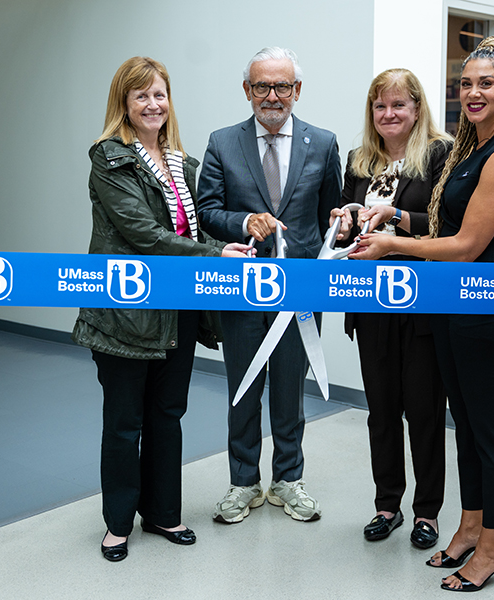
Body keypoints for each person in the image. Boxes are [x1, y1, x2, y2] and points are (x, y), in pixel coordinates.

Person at [350, 37, 494, 592]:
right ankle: (470, 527)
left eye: (487, 83)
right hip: (456, 307)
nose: (475, 92)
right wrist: (396, 218)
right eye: (466, 83)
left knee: (491, 432)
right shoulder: (470, 148)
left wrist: (389, 244)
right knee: (470, 430)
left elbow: (464, 245)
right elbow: (440, 226)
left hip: (486, 309)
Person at [72, 56, 251, 562]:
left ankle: (162, 513)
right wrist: (217, 254)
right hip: (126, 312)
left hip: (179, 312)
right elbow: (144, 235)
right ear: (124, 105)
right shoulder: (109, 159)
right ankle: (117, 524)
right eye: (141, 96)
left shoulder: (182, 162)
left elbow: (204, 224)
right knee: (125, 421)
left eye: (160, 94)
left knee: (168, 414)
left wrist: (244, 231)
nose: (153, 104)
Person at [197, 47, 342, 523]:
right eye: (262, 86)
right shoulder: (222, 142)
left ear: (297, 91)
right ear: (247, 91)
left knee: (287, 391)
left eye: (283, 86)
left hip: (299, 295)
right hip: (241, 293)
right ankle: (243, 484)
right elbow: (207, 212)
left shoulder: (322, 143)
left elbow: (329, 218)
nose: (273, 96)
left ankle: (287, 480)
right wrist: (244, 222)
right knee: (242, 390)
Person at [329, 69, 452, 548]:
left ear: (417, 109)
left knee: (423, 411)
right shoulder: (360, 159)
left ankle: (428, 514)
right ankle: (387, 505)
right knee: (380, 412)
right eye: (380, 106)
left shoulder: (440, 154)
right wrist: (343, 222)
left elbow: (447, 224)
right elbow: (343, 218)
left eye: (398, 105)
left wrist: (393, 224)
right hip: (369, 303)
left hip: (420, 303)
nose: (389, 114)